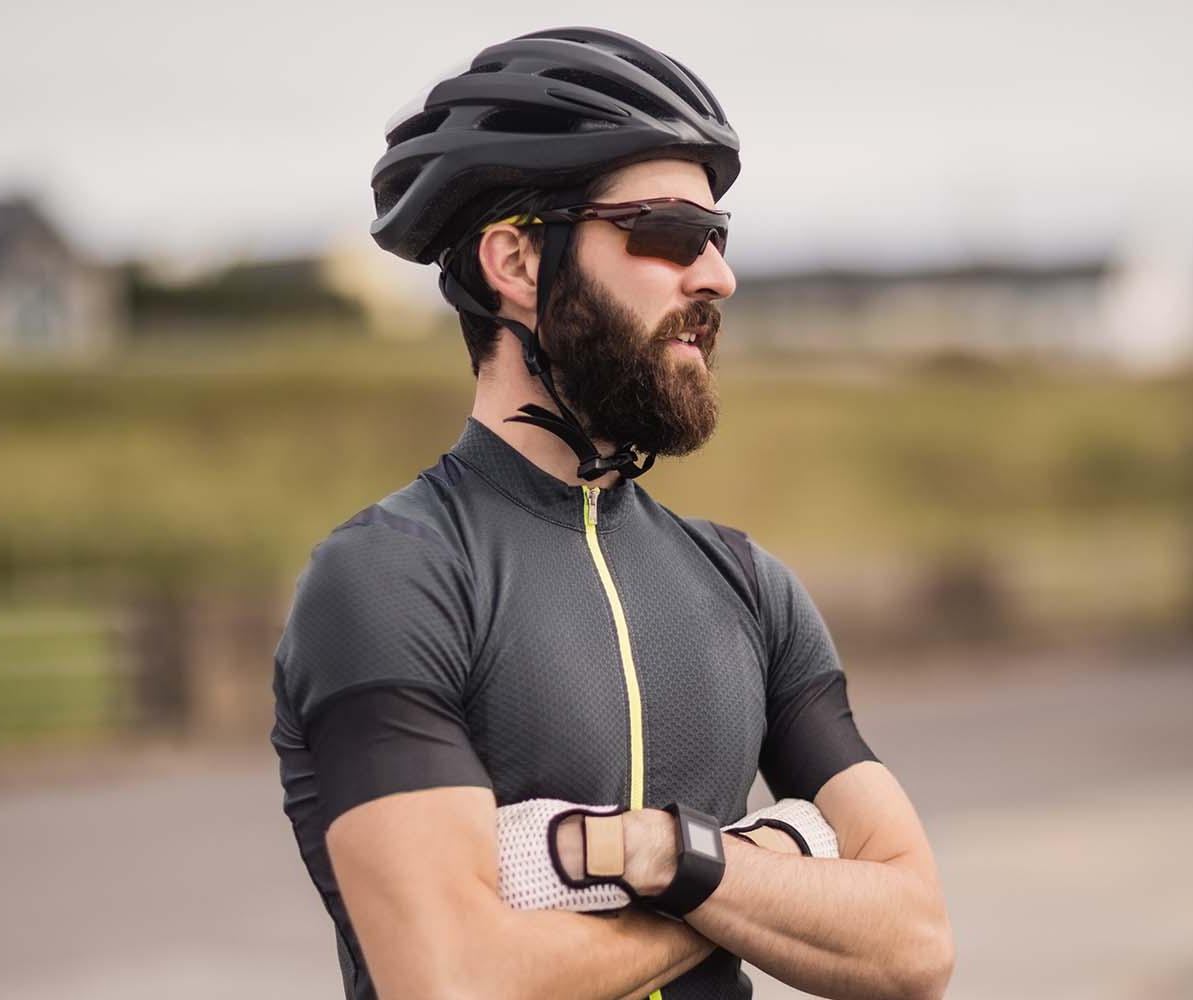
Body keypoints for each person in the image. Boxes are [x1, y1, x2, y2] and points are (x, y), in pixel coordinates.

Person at [270, 26, 954, 1000]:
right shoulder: (393, 576)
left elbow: (914, 939)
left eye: (718, 239)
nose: (715, 276)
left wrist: (659, 853)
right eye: (668, 232)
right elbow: (456, 979)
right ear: (514, 261)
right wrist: (764, 870)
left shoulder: (748, 585)